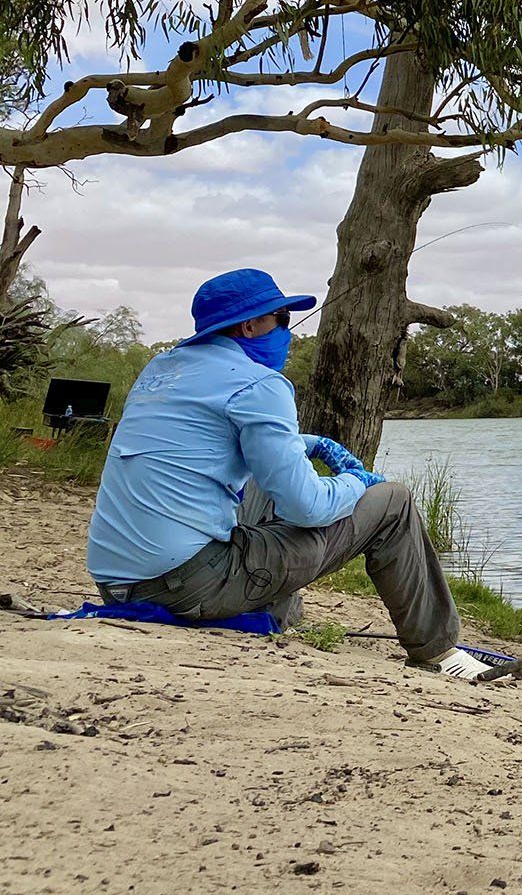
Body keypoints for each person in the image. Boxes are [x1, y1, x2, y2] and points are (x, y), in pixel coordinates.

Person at [86, 268, 488, 680]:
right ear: (251, 325)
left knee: (264, 479)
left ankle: (271, 603)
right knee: (394, 502)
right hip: (186, 587)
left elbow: (202, 447)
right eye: (281, 320)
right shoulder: (260, 383)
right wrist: (356, 481)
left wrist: (301, 444)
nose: (288, 333)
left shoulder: (160, 370)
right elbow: (306, 508)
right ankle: (438, 652)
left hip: (117, 582)